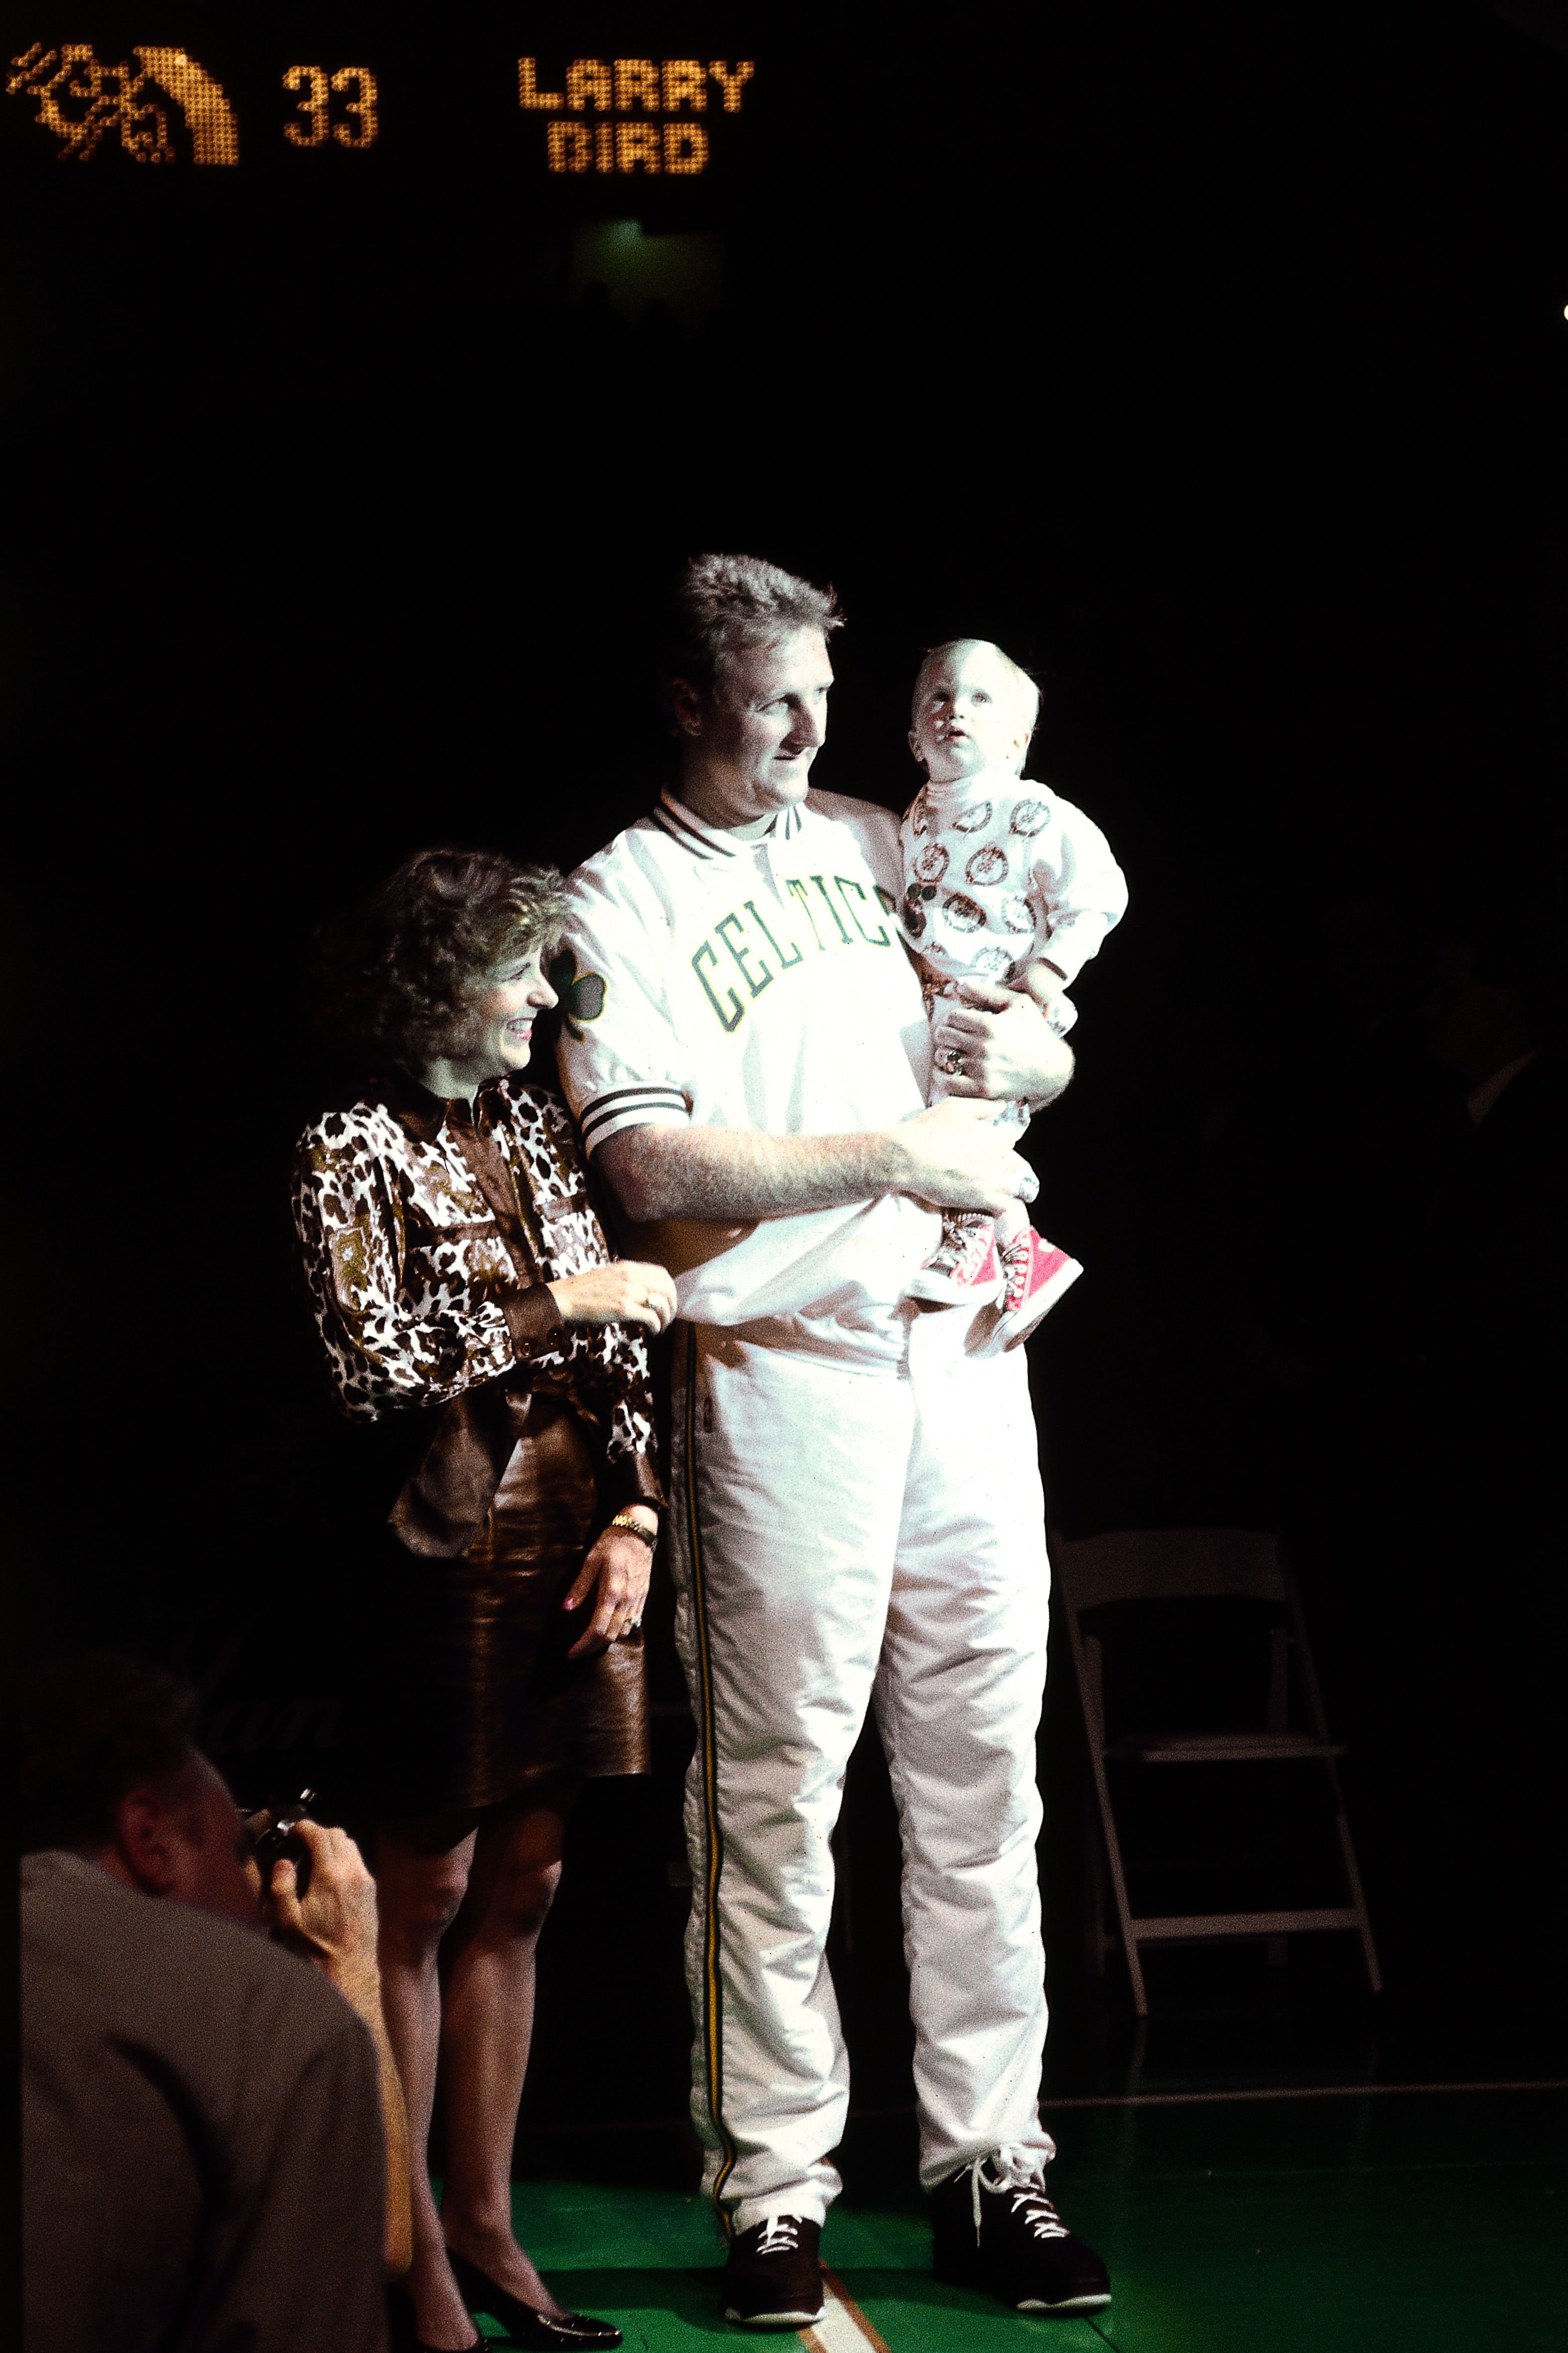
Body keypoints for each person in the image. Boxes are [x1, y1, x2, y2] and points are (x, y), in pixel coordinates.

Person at [554, 554, 1112, 2325]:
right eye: (772, 697)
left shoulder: (893, 836)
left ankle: (988, 2164)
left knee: (978, 1776)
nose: (811, 727)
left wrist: (1037, 1055)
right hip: (776, 1367)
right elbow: (642, 1167)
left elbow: (1034, 1003)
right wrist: (891, 1152)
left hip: (957, 1352)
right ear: (687, 702)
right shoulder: (618, 895)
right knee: (773, 1796)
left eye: (821, 692)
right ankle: (774, 2184)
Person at [291, 848, 676, 2353]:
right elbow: (366, 1362)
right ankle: (411, 2257)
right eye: (519, 969)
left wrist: (638, 1514)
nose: (542, 998)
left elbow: (626, 1338)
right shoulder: (346, 1138)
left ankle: (490, 2227)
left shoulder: (530, 1120)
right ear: (438, 981)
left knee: (529, 1889)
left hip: (579, 1523)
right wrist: (552, 1306)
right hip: (443, 1533)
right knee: (429, 1889)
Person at [20, 1651, 402, 2353]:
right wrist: (345, 1964)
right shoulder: (270, 2018)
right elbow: (378, 2252)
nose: (253, 1893)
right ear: (149, 1839)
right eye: (235, 1851)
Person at [898, 636, 1128, 1344]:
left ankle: (970, 1249)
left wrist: (1047, 976)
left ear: (1018, 740)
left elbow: (1100, 894)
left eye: (978, 698)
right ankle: (1027, 1254)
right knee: (942, 1129)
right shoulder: (908, 817)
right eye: (937, 697)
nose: (953, 711)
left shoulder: (1033, 812)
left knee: (962, 1133)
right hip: (936, 1006)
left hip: (998, 1008)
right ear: (913, 739)